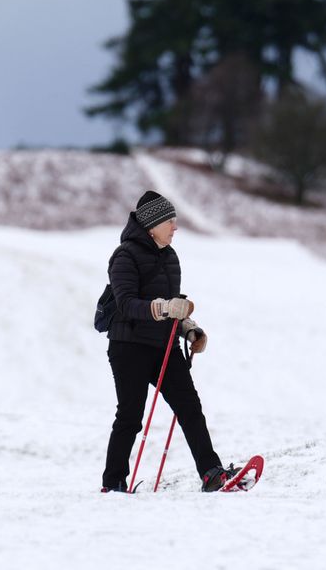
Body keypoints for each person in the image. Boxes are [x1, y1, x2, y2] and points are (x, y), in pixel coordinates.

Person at [101, 190, 234, 493]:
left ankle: (211, 473)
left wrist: (188, 329)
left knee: (190, 407)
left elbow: (174, 305)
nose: (175, 227)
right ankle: (113, 483)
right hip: (129, 345)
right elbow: (126, 303)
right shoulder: (125, 255)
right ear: (152, 225)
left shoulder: (170, 256)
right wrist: (162, 308)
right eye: (170, 221)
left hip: (164, 346)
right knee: (131, 416)